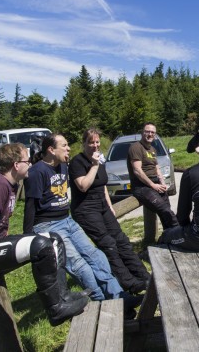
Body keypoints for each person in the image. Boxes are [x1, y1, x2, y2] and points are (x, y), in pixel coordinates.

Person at [0, 143, 88, 326]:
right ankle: (55, 309)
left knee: (53, 239)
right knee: (41, 246)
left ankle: (63, 296)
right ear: (15, 164)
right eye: (27, 161)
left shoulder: (8, 184)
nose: (30, 164)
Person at [24, 133, 141, 317]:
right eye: (64, 145)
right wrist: (27, 236)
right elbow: (30, 205)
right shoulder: (37, 172)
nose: (69, 148)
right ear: (51, 150)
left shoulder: (63, 165)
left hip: (67, 220)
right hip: (48, 226)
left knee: (96, 256)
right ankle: (104, 303)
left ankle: (119, 296)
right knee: (80, 266)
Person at [70, 128, 150, 294]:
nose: (95, 145)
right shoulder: (77, 162)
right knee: (108, 244)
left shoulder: (100, 159)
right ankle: (128, 283)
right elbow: (83, 186)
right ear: (83, 143)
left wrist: (109, 206)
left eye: (97, 142)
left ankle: (143, 275)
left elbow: (103, 185)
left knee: (121, 240)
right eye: (91, 142)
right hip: (86, 209)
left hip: (102, 206)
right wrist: (93, 165)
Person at [127, 123, 178, 230]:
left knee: (166, 211)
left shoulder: (152, 149)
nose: (150, 134)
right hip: (142, 186)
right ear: (142, 132)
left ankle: (169, 235)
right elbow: (137, 171)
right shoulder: (135, 147)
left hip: (155, 183)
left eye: (153, 132)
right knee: (164, 209)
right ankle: (178, 231)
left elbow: (157, 168)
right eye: (147, 131)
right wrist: (153, 185)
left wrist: (162, 183)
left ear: (155, 135)